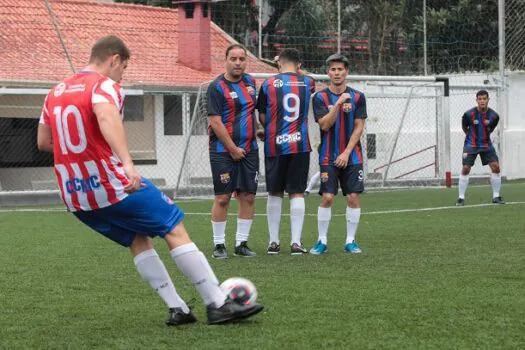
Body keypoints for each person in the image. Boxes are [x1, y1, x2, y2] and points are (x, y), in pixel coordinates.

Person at [37, 35, 263, 326]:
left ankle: (178, 309)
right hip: (113, 184)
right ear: (114, 59)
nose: (122, 74)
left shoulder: (54, 92)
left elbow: (43, 142)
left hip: (76, 195)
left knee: (137, 237)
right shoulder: (104, 86)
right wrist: (128, 165)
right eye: (124, 68)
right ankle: (217, 303)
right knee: (173, 227)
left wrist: (81, 153)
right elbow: (106, 118)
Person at [257, 48, 315, 255]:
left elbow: (262, 116)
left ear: (279, 63)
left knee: (275, 192)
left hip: (275, 144)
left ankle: (273, 242)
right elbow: (306, 76)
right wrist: (296, 69)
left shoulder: (268, 84)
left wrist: (272, 127)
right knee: (297, 192)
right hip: (299, 145)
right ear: (299, 65)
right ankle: (296, 243)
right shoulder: (308, 83)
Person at [309, 53, 367, 255]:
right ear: (328, 73)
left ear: (346, 72)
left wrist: (346, 152)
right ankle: (321, 241)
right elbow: (324, 125)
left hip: (352, 156)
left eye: (340, 69)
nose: (336, 73)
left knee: (352, 197)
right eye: (333, 69)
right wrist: (339, 104)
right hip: (328, 155)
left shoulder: (359, 97)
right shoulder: (320, 98)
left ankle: (350, 241)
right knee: (327, 198)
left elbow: (359, 128)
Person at [207, 44, 260, 259]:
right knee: (223, 198)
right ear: (226, 60)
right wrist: (232, 148)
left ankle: (241, 244)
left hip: (250, 150)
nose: (238, 62)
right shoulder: (216, 87)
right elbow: (216, 122)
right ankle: (219, 245)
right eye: (233, 58)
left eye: (241, 59)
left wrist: (259, 129)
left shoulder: (251, 83)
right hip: (222, 151)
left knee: (247, 197)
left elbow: (250, 112)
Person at [456, 90, 504, 206]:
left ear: (488, 100)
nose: (482, 101)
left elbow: (491, 127)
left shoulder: (494, 115)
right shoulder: (469, 114)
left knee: (496, 167)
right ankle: (461, 198)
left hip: (486, 144)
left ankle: (496, 196)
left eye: (484, 99)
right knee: (466, 168)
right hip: (471, 144)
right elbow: (464, 126)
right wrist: (470, 135)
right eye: (480, 99)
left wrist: (485, 134)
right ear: (476, 100)